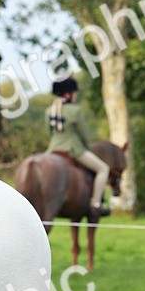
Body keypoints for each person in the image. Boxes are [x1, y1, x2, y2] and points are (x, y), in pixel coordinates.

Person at [46, 76, 110, 216]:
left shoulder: (49, 111)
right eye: (74, 92)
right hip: (73, 149)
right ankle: (96, 203)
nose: (76, 95)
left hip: (52, 150)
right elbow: (84, 135)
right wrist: (87, 148)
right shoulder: (76, 111)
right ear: (68, 94)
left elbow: (50, 133)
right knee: (103, 169)